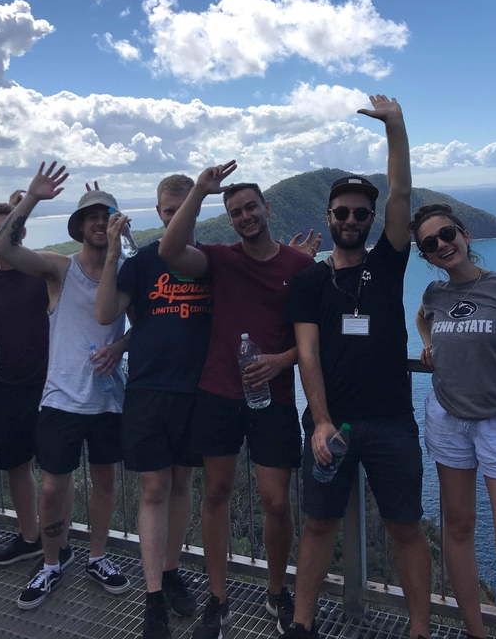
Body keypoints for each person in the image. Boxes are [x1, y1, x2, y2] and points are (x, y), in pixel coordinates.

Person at [284, 96, 433, 639]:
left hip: (392, 422)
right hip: (333, 424)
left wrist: (396, 125)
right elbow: (308, 353)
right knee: (318, 523)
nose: (351, 219)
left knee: (406, 528)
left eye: (360, 213)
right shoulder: (308, 282)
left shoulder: (388, 264)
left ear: (372, 221)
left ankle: (419, 629)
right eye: (342, 212)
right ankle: (302, 624)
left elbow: (401, 193)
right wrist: (320, 421)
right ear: (328, 219)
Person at [158, 162, 317, 639]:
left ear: (267, 208)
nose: (245, 216)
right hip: (219, 392)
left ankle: (276, 591)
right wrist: (201, 192)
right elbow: (169, 250)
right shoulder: (220, 260)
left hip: (276, 397)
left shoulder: (300, 266)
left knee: (274, 502)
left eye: (251, 207)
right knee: (217, 494)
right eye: (236, 211)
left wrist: (280, 359)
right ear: (229, 219)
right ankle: (218, 599)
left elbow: (316, 339)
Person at [0, 163, 131, 610]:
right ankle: (51, 562)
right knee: (53, 487)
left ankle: (97, 555)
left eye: (105, 214)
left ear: (115, 223)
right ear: (78, 226)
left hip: (108, 398)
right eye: (90, 215)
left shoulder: (126, 272)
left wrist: (122, 345)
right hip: (62, 398)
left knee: (106, 479)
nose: (97, 221)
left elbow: (150, 324)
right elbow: (4, 247)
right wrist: (31, 198)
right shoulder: (59, 269)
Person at [411, 203, 496, 639]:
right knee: (457, 528)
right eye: (430, 244)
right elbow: (420, 316)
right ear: (426, 256)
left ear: (465, 234)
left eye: (447, 234)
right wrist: (430, 343)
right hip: (449, 420)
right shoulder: (435, 295)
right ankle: (476, 632)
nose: (442, 246)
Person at [96, 174, 209, 639]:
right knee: (153, 489)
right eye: (167, 210)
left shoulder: (209, 261)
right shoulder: (141, 262)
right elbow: (107, 313)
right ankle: (153, 596)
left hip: (199, 390)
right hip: (148, 390)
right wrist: (109, 254)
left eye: (183, 208)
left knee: (181, 483)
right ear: (159, 212)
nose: (175, 216)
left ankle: (170, 569)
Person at [0, 200, 64, 568]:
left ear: (22, 231)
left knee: (56, 473)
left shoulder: (43, 272)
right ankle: (30, 538)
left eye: (8, 228)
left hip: (51, 386)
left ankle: (57, 543)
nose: (2, 235)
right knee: (16, 467)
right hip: (8, 387)